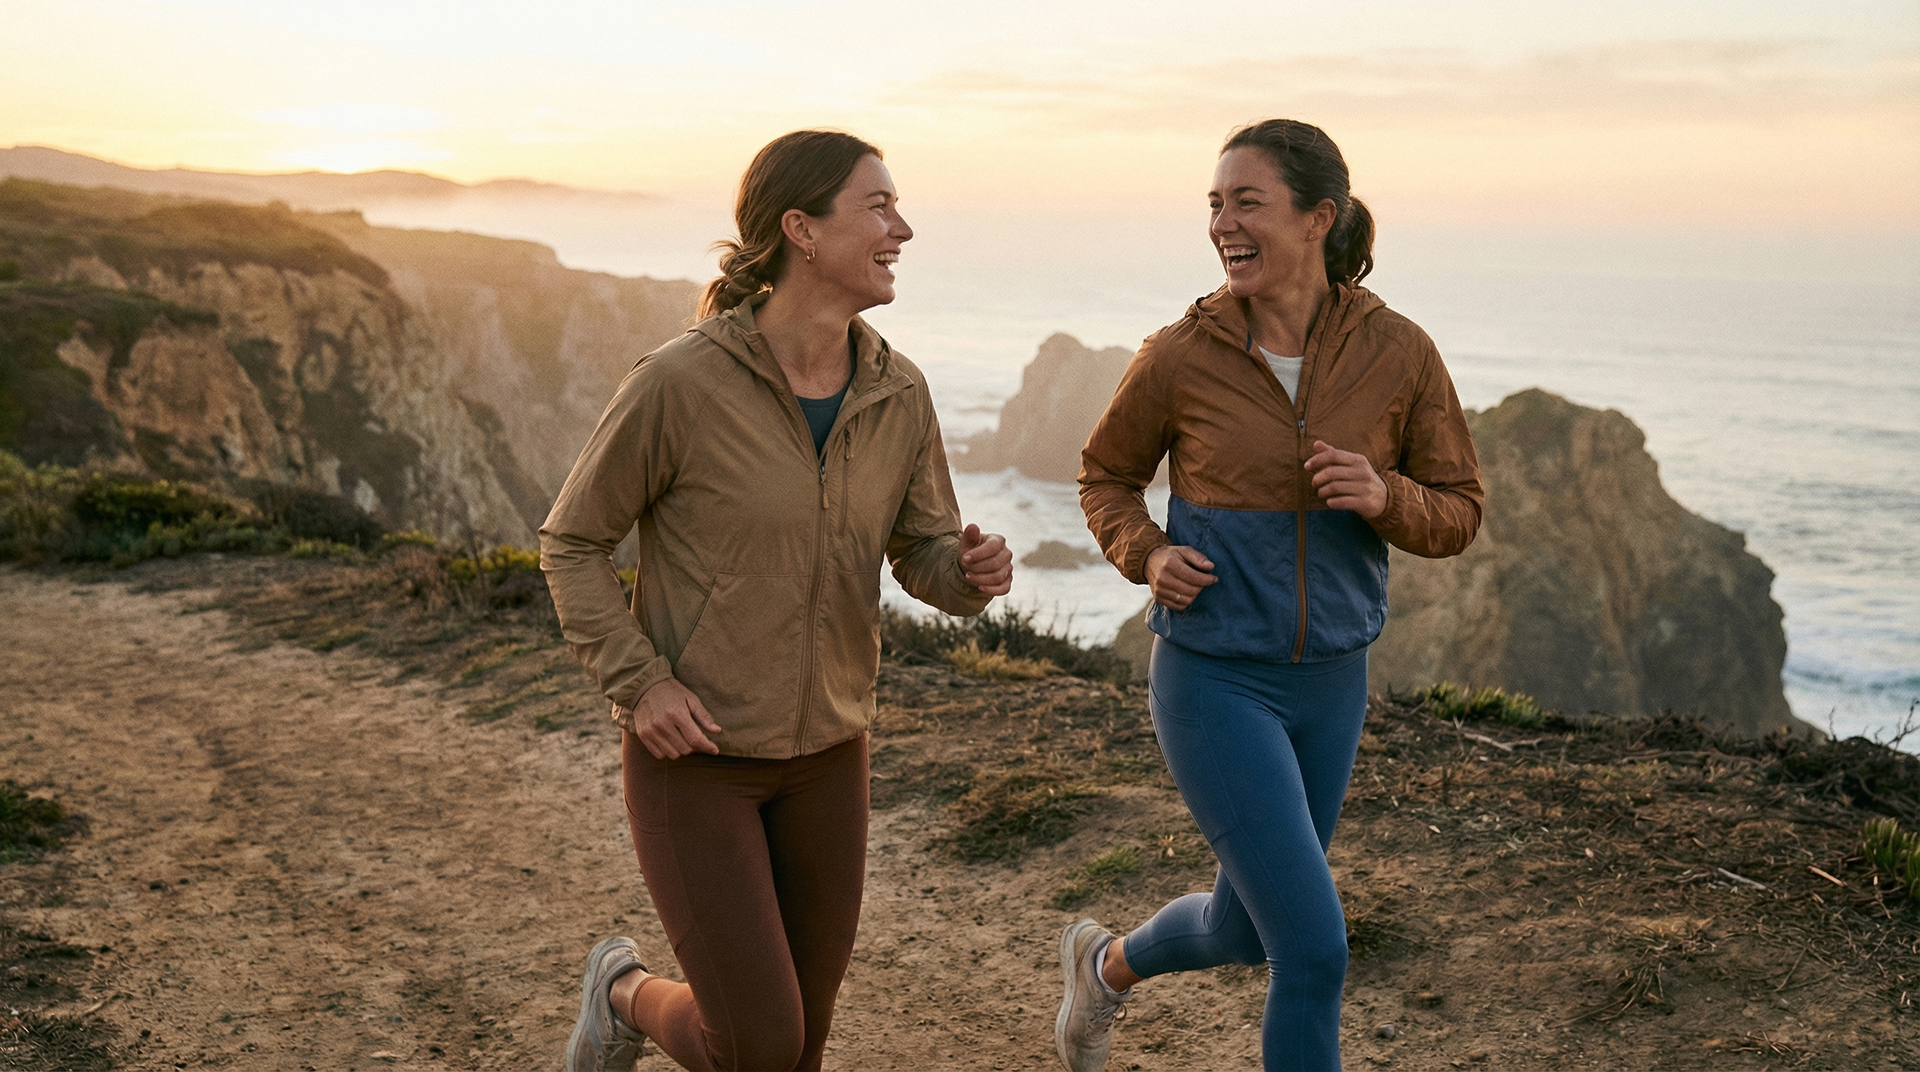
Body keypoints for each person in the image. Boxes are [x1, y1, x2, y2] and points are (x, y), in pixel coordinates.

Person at [544, 129, 1014, 1072]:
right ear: (801, 228)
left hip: (831, 754)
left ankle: (625, 999)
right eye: (878, 207)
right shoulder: (679, 383)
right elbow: (572, 541)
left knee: (798, 1048)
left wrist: (965, 575)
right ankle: (625, 994)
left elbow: (918, 549)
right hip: (699, 755)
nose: (903, 228)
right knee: (760, 1043)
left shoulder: (898, 392)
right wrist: (642, 685)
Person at [1058, 119, 1484, 1072]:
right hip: (1214, 679)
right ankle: (1107, 968)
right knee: (1314, 948)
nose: (1222, 223)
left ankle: (1104, 967)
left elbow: (1459, 511)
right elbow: (1103, 477)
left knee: (1245, 926)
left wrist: (1386, 497)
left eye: (1245, 201)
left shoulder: (1401, 353)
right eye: (1214, 204)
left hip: (1333, 680)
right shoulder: (1179, 352)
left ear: (1316, 219)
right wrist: (1147, 551)